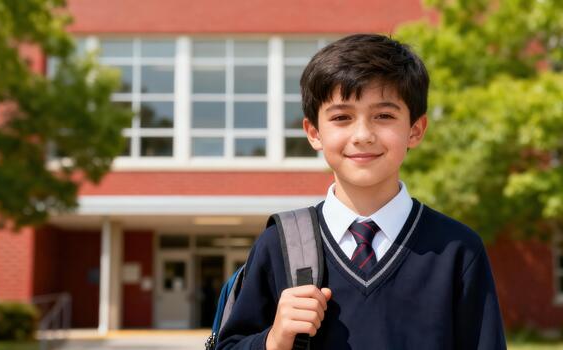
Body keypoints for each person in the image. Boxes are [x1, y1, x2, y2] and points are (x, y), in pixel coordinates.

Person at [216, 33, 506, 349]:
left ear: (415, 130)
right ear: (314, 133)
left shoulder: (457, 250)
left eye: (383, 116)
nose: (363, 135)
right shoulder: (280, 243)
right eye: (342, 117)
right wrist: (273, 339)